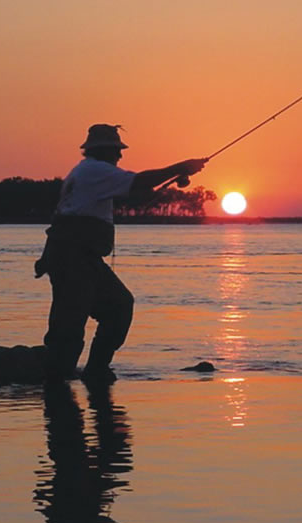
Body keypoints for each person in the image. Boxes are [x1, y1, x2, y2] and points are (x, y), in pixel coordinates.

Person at [36, 123, 206, 384]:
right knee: (70, 322)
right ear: (104, 151)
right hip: (74, 257)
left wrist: (173, 180)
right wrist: (181, 167)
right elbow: (141, 180)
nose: (120, 156)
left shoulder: (87, 172)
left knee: (118, 306)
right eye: (116, 151)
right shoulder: (95, 170)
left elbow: (135, 194)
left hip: (78, 256)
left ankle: (93, 371)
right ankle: (60, 380)